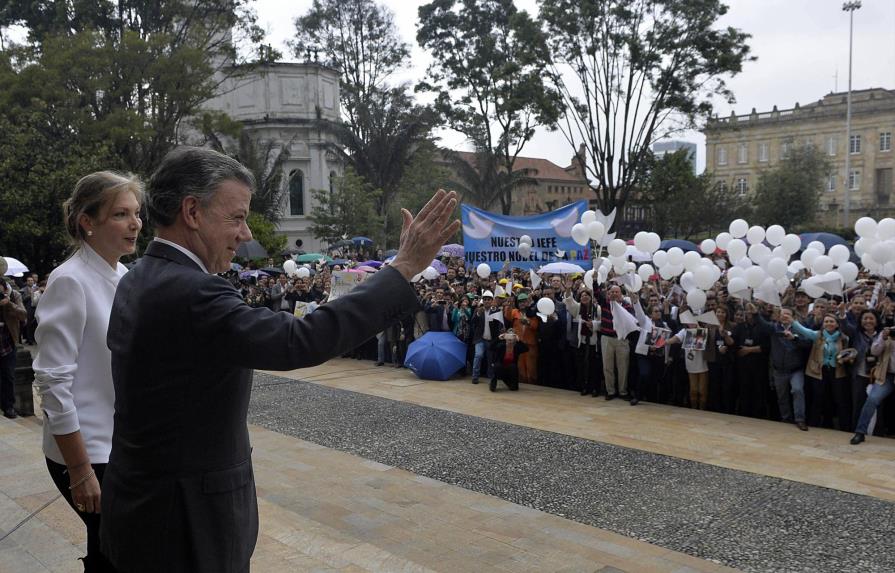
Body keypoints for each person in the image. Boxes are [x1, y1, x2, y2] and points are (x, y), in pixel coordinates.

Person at [99, 147, 459, 573]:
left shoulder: (138, 276)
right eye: (236, 217)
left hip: (142, 507)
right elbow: (301, 340)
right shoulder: (194, 292)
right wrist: (400, 268)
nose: (246, 233)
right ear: (192, 211)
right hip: (185, 523)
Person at [33, 171, 144, 571]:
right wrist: (79, 471)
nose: (135, 224)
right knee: (118, 552)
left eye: (136, 213)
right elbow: (53, 383)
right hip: (85, 451)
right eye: (120, 214)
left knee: (112, 552)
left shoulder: (123, 275)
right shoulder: (70, 281)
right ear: (88, 221)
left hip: (120, 446)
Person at [789, 313, 852, 430]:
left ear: (837, 324)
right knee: (818, 398)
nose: (829, 324)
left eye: (832, 321)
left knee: (839, 399)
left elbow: (850, 353)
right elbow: (802, 330)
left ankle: (844, 427)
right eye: (826, 321)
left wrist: (847, 358)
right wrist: (792, 321)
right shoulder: (818, 335)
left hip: (837, 371)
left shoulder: (844, 338)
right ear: (823, 324)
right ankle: (814, 423)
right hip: (819, 371)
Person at [851, 325, 895, 444]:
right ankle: (860, 432)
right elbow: (874, 351)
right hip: (887, 375)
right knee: (872, 399)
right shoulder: (888, 332)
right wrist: (883, 338)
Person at [0, 279, 27, 419]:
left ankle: (8, 406)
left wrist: (9, 304)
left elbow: (23, 314)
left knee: (8, 375)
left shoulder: (14, 295)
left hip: (8, 341)